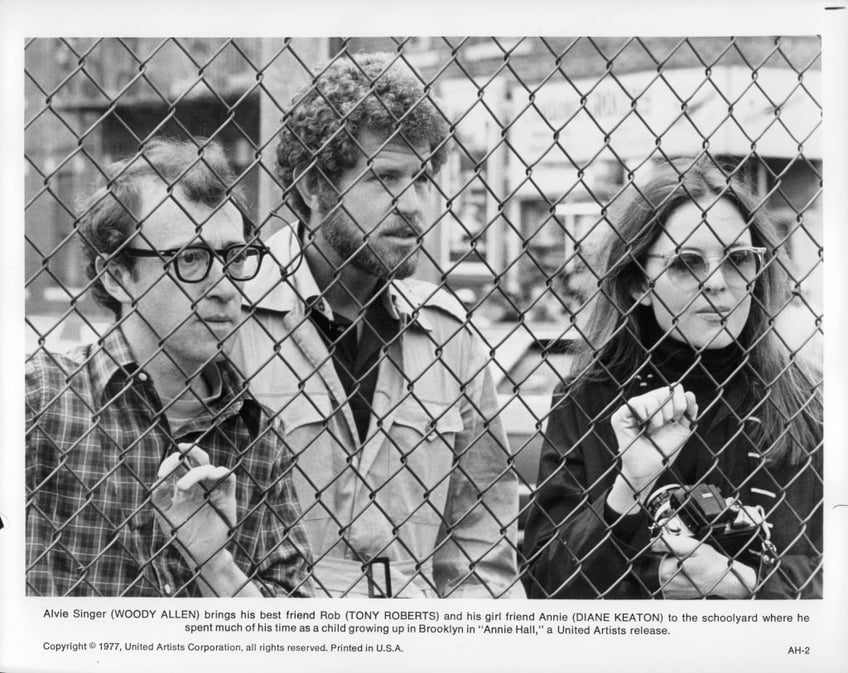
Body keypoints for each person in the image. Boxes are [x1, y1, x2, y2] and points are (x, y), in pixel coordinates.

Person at [234, 53, 522, 598]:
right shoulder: (230, 315)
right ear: (312, 188)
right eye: (386, 178)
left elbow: (481, 538)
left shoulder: (447, 335)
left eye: (422, 178)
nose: (414, 205)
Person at [523, 157, 823, 599]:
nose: (718, 283)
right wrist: (628, 490)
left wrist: (740, 584)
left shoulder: (802, 396)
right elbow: (545, 580)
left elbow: (827, 569)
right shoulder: (591, 395)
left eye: (739, 259)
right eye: (687, 263)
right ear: (638, 284)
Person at [26, 138, 312, 597]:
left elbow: (289, 642)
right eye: (191, 258)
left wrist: (215, 566)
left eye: (235, 257)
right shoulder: (39, 405)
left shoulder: (255, 433)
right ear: (118, 276)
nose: (224, 287)